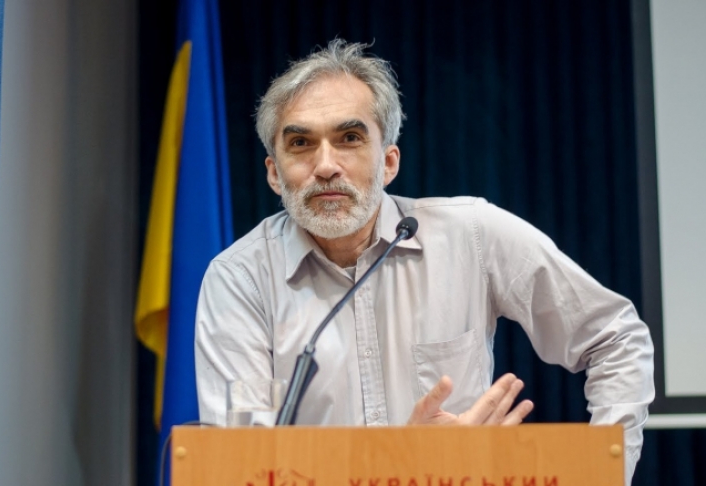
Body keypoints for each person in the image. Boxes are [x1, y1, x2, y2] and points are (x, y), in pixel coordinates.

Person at [195, 39, 654, 483]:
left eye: (350, 138)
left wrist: (604, 473)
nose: (326, 165)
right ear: (274, 173)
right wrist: (403, 462)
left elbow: (616, 338)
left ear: (389, 162)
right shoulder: (240, 280)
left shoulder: (471, 235)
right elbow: (243, 467)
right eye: (300, 143)